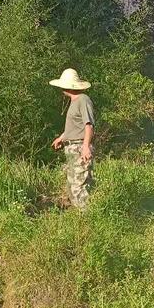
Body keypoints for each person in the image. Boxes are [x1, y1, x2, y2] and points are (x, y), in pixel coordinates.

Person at [50, 68, 94, 209]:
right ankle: (82, 220)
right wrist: (61, 138)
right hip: (72, 147)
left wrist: (85, 147)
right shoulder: (74, 101)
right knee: (73, 185)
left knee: (78, 187)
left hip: (79, 147)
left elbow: (89, 125)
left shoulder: (83, 100)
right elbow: (75, 127)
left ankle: (87, 219)